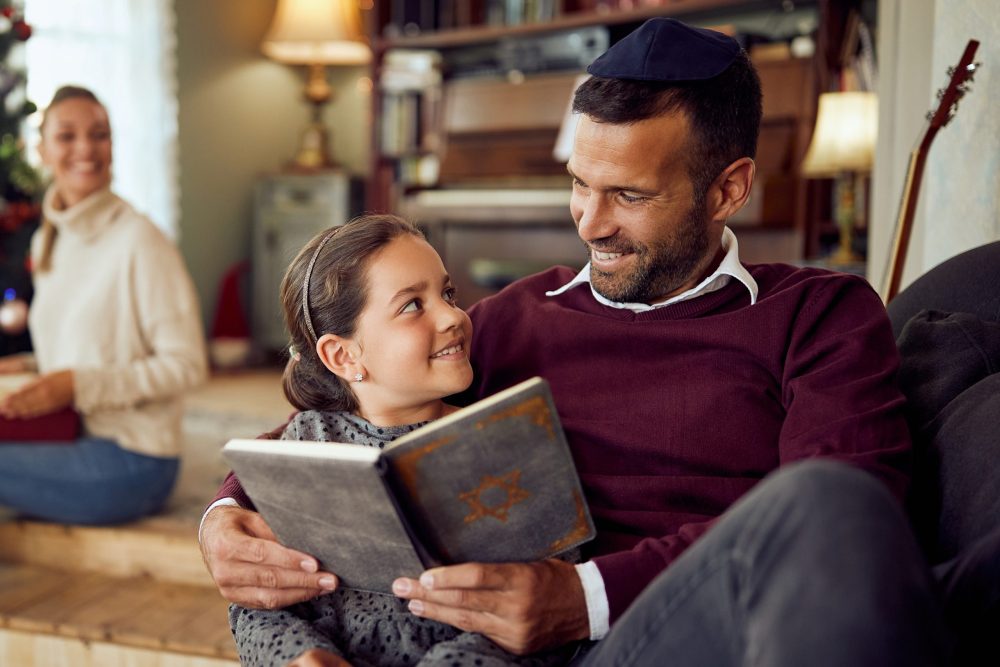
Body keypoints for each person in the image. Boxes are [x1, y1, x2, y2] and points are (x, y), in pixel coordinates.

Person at [201, 19, 952, 666]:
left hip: (692, 628)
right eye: (578, 183)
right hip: (501, 653)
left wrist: (586, 597)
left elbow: (851, 518)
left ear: (728, 188)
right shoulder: (514, 317)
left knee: (824, 502)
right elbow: (345, 421)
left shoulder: (818, 315)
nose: (589, 223)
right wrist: (224, 517)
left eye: (628, 195)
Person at [226, 214, 578, 667]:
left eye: (447, 293)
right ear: (343, 354)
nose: (454, 316)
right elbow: (259, 597)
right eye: (413, 304)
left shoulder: (505, 443)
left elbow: (539, 614)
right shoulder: (307, 441)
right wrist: (303, 658)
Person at [0, 85, 207, 524]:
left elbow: (187, 364)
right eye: (67, 136)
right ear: (41, 150)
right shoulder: (48, 238)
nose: (86, 149)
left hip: (134, 460)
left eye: (99, 134)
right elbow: (91, 348)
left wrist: (76, 386)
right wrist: (28, 368)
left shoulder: (139, 240)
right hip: (68, 434)